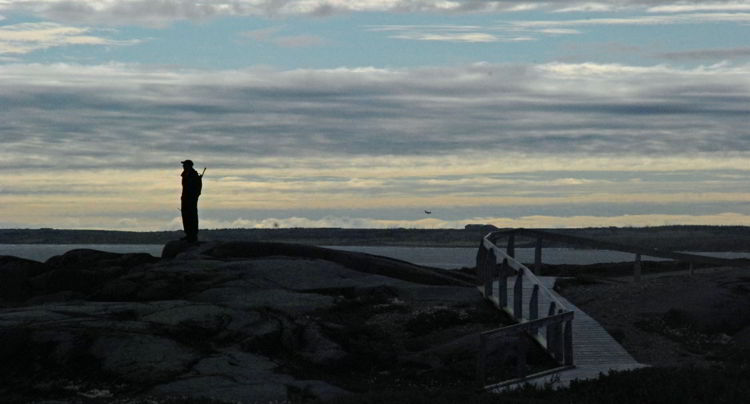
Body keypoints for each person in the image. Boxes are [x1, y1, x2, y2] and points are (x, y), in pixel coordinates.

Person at [180, 160, 202, 242]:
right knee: (185, 216)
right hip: (185, 198)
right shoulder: (185, 174)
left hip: (191, 199)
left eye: (185, 165)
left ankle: (192, 235)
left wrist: (193, 197)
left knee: (191, 217)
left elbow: (197, 190)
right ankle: (188, 234)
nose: (183, 166)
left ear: (189, 166)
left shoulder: (193, 175)